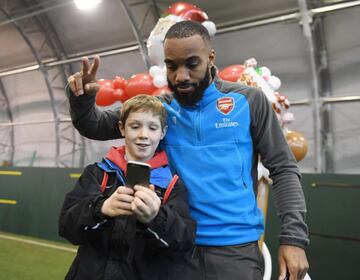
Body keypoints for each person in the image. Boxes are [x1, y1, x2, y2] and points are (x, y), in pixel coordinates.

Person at [66, 20, 309, 280]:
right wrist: (82, 98)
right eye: (171, 66)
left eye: (192, 64)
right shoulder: (159, 110)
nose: (180, 76)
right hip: (171, 250)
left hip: (234, 253)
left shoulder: (249, 101)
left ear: (211, 57)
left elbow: (283, 169)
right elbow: (95, 125)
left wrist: (294, 239)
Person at [59, 94, 196, 280]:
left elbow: (183, 245)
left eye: (152, 128)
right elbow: (67, 227)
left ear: (162, 133)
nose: (143, 135)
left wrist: (156, 218)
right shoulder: (98, 174)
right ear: (122, 128)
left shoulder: (172, 186)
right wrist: (101, 209)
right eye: (135, 126)